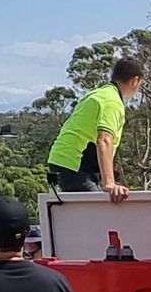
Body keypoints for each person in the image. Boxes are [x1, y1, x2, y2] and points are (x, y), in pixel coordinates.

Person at [45, 58, 142, 201]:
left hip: (65, 161)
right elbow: (104, 139)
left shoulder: (100, 93)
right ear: (135, 80)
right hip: (76, 165)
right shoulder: (112, 101)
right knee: (99, 215)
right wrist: (109, 183)